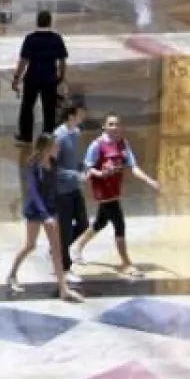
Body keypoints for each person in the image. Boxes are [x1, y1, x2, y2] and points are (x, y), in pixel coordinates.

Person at [72, 114, 160, 276]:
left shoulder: (123, 144)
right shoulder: (97, 145)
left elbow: (133, 167)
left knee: (101, 222)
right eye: (111, 124)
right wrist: (101, 173)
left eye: (117, 124)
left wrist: (149, 181)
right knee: (119, 224)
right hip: (103, 189)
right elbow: (89, 168)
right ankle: (126, 263)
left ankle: (77, 248)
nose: (114, 127)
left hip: (114, 189)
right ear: (104, 127)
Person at [6, 135, 83, 303]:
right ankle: (12, 275)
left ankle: (64, 289)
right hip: (35, 210)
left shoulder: (53, 163)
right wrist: (45, 216)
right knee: (30, 245)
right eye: (55, 145)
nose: (58, 148)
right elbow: (33, 192)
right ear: (47, 147)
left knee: (57, 249)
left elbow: (60, 175)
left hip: (50, 209)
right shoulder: (33, 165)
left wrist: (77, 175)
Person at [13, 10, 68, 145]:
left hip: (32, 77)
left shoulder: (30, 39)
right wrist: (61, 76)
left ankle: (26, 136)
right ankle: (48, 135)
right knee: (49, 108)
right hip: (50, 78)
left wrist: (16, 78)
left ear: (37, 22)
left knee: (27, 107)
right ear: (50, 22)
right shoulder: (56, 38)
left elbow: (23, 61)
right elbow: (62, 61)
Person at [51, 105, 89, 283]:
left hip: (74, 188)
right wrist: (75, 175)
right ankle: (65, 268)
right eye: (80, 113)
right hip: (61, 191)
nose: (84, 116)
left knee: (83, 223)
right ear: (71, 115)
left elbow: (74, 159)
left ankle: (57, 248)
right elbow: (53, 168)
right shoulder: (59, 137)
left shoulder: (76, 133)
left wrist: (83, 168)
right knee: (65, 229)